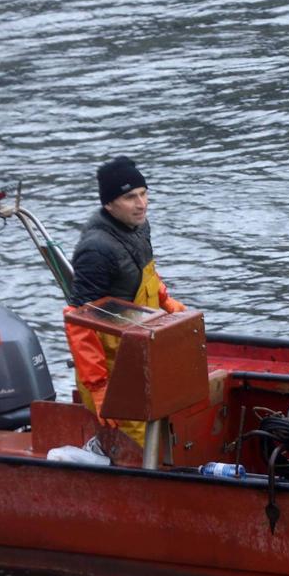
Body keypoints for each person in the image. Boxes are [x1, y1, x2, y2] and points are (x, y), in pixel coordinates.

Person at [63, 155, 186, 446]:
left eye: (144, 194)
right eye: (130, 197)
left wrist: (165, 301)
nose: (141, 204)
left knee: (170, 426)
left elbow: (145, 274)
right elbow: (78, 320)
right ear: (109, 204)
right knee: (145, 443)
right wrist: (99, 386)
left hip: (141, 350)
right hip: (113, 370)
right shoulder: (96, 250)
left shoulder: (138, 226)